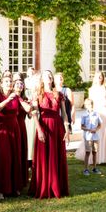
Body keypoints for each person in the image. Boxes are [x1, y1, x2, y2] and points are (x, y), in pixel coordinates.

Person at [30, 70, 70, 199]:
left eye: (50, 76)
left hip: (57, 127)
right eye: (46, 76)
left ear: (52, 79)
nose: (49, 77)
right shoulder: (37, 94)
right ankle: (44, 186)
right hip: (44, 126)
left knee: (57, 156)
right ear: (42, 79)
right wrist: (39, 129)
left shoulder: (59, 94)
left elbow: (63, 113)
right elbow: (34, 114)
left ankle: (57, 186)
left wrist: (67, 129)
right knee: (44, 157)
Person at [0, 75, 29, 199]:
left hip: (14, 129)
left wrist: (32, 105)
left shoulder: (16, 96)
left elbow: (27, 108)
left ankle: (15, 187)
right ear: (1, 83)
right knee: (3, 158)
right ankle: (0, 189)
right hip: (2, 129)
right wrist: (7, 100)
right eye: (6, 81)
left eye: (10, 81)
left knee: (14, 157)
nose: (9, 83)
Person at [88, 71, 106, 165]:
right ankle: (95, 157)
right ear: (95, 78)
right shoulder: (91, 89)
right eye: (97, 77)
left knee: (105, 133)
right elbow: (90, 103)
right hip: (96, 112)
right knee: (97, 134)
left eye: (101, 77)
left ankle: (105, 157)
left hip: (105, 111)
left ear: (103, 78)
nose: (99, 78)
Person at [13, 77, 31, 190]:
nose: (20, 86)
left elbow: (29, 115)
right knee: (15, 153)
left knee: (22, 152)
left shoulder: (24, 98)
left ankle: (23, 179)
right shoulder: (11, 97)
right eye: (17, 84)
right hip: (14, 126)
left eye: (21, 84)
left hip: (22, 126)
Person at [80, 98, 101, 176]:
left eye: (91, 104)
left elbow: (99, 125)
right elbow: (82, 127)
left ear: (93, 105)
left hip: (95, 136)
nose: (89, 106)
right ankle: (85, 169)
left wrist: (96, 129)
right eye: (88, 104)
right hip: (88, 136)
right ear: (85, 105)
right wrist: (89, 129)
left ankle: (94, 168)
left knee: (95, 152)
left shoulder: (97, 114)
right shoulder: (84, 115)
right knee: (88, 152)